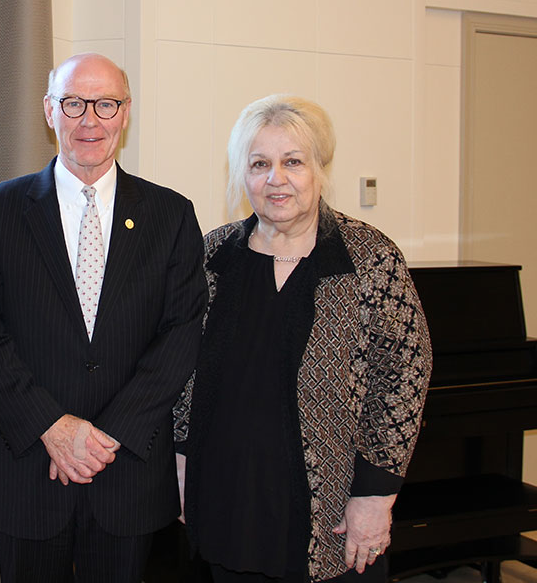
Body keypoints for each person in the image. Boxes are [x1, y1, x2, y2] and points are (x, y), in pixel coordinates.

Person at [0, 53, 207, 583]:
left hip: (128, 473)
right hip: (30, 469)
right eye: (74, 103)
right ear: (50, 111)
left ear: (125, 113)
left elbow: (181, 331)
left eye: (106, 104)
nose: (90, 119)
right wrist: (52, 427)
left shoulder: (171, 215)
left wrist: (106, 437)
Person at [174, 94, 432, 583]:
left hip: (332, 509)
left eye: (293, 162)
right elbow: (182, 369)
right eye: (260, 164)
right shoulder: (213, 256)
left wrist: (376, 496)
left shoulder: (368, 258)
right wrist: (183, 464)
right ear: (241, 174)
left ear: (318, 170)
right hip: (229, 497)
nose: (276, 179)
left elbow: (406, 375)